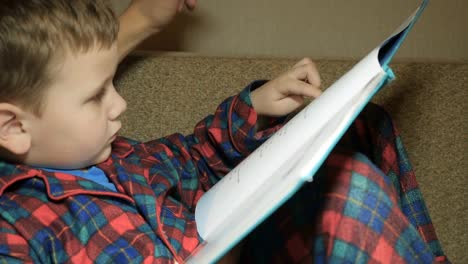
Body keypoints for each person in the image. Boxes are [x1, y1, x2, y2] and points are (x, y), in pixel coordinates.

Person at [0, 0, 448, 263]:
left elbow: (195, 153)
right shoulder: (14, 222)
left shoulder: (121, 155)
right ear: (14, 126)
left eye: (113, 84)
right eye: (96, 95)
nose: (120, 104)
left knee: (360, 146)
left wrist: (254, 106)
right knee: (354, 193)